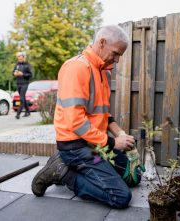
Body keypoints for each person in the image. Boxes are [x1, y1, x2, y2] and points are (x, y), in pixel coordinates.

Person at [31, 25, 142, 209]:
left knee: (133, 176)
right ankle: (64, 172)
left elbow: (104, 113)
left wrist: (120, 133)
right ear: (102, 43)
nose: (117, 60)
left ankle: (80, 166)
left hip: (96, 146)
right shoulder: (76, 68)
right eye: (116, 53)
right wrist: (114, 143)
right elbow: (76, 122)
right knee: (121, 197)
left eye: (120, 55)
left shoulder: (103, 72)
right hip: (77, 147)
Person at [13, 52, 33, 119]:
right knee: (23, 98)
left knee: (21, 98)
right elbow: (13, 72)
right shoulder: (17, 65)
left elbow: (30, 74)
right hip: (18, 83)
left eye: (21, 58)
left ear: (24, 58)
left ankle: (18, 113)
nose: (20, 60)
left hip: (25, 83)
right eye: (19, 59)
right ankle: (28, 111)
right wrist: (14, 73)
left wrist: (23, 74)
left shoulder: (27, 65)